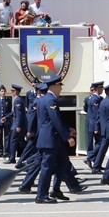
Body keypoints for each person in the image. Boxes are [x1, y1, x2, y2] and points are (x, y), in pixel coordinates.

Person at [34, 76, 72, 204]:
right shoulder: (50, 100)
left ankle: (55, 189)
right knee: (47, 167)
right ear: (54, 86)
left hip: (53, 139)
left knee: (64, 162)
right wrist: (67, 137)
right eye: (60, 86)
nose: (61, 89)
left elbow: (55, 120)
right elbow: (55, 120)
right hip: (50, 139)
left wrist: (68, 129)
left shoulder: (46, 99)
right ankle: (41, 195)